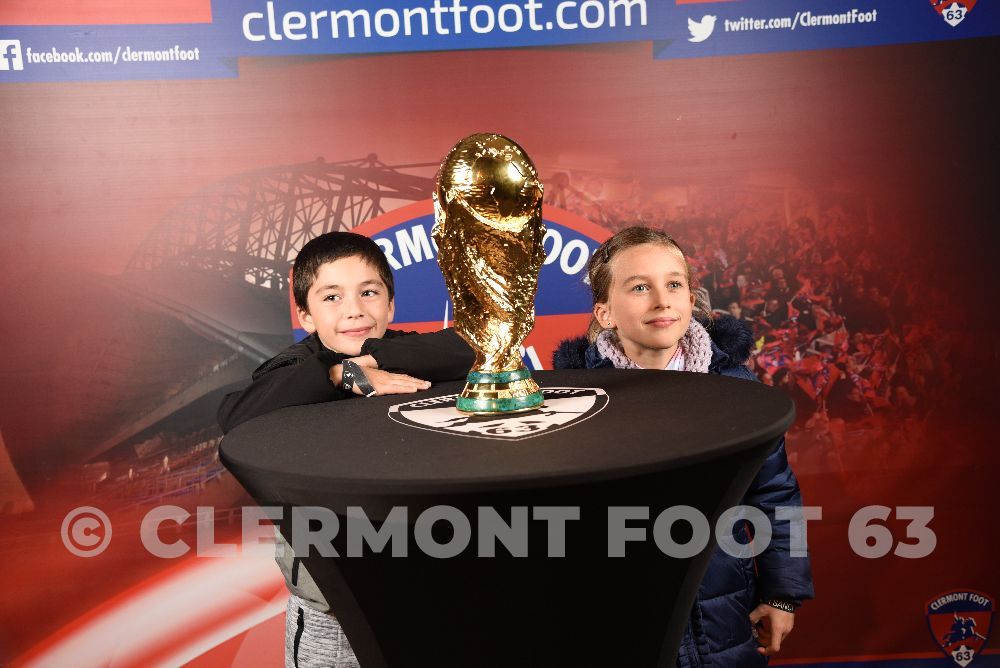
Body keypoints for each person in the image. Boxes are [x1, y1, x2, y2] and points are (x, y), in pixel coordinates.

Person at [553, 226, 814, 666]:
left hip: (722, 617)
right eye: (639, 287)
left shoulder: (736, 391)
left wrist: (783, 593)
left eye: (674, 284)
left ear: (691, 299)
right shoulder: (573, 403)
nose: (661, 299)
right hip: (617, 621)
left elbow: (774, 494)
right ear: (605, 313)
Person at [218, 231, 473, 668]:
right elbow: (233, 411)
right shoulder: (295, 367)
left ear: (390, 305)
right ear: (306, 314)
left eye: (369, 292)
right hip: (333, 609)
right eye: (331, 296)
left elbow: (471, 347)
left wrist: (367, 363)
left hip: (423, 592)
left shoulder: (405, 351)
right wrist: (339, 376)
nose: (354, 309)